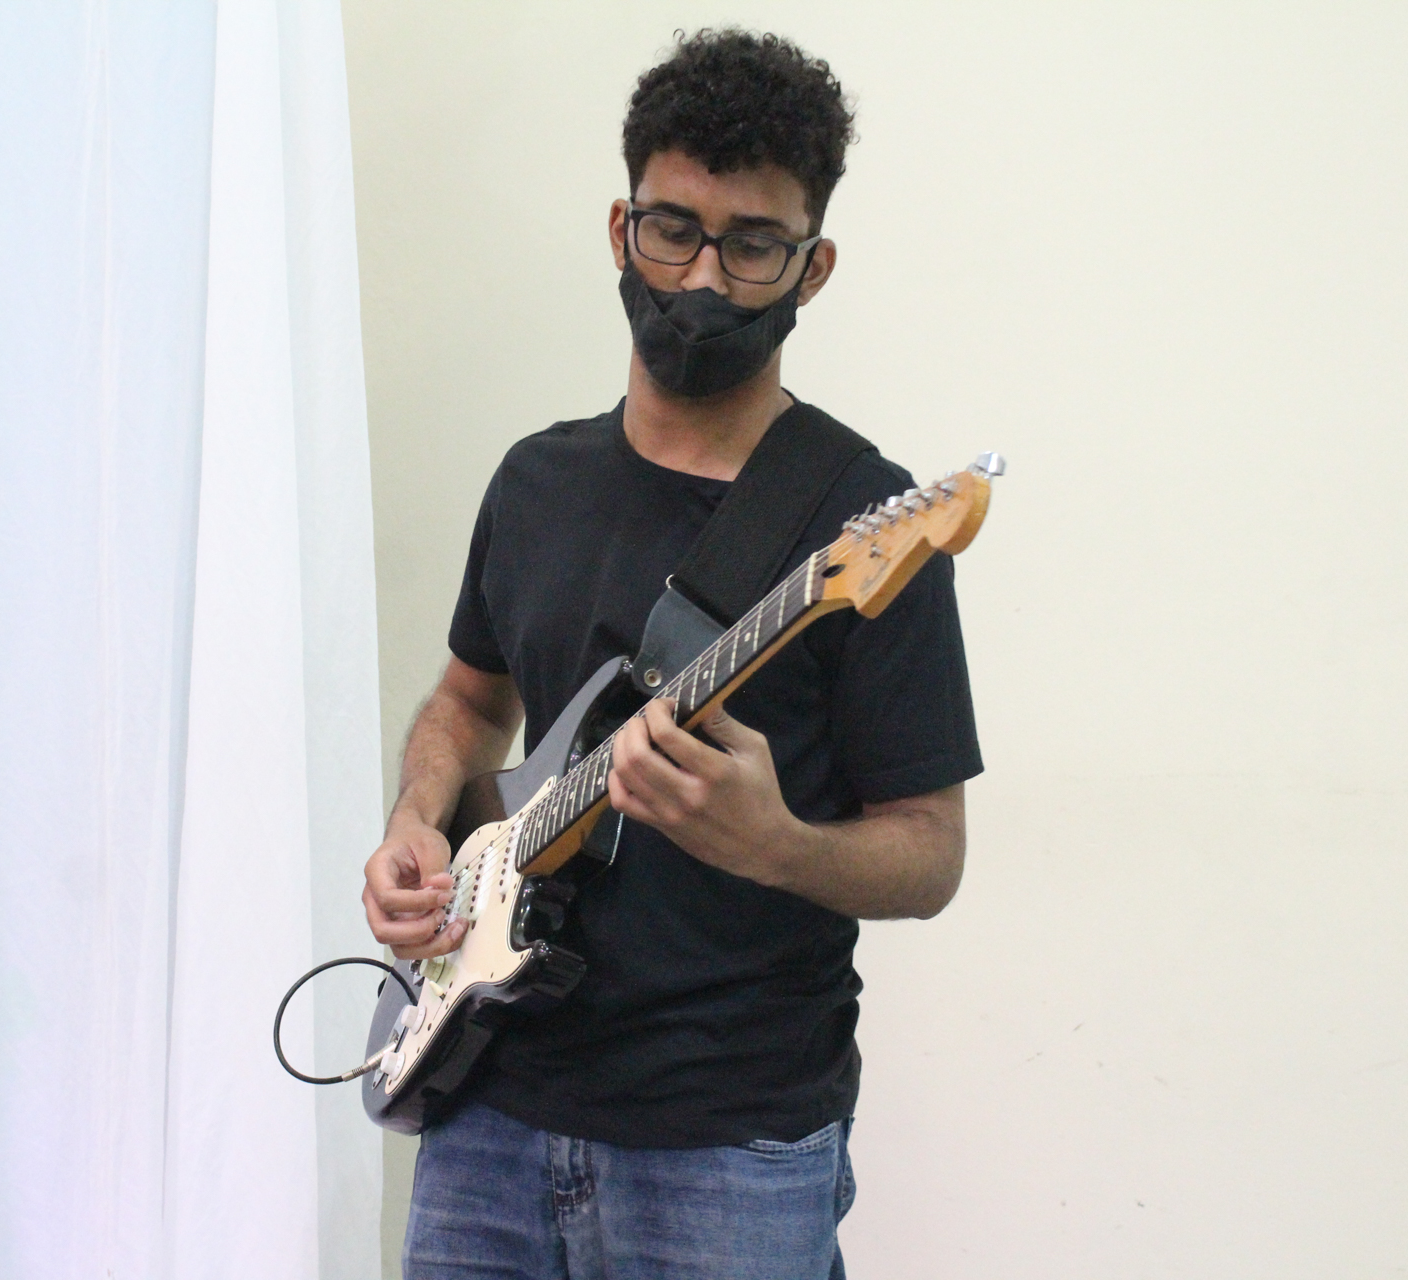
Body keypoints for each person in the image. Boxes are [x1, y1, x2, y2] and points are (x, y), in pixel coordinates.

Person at [361, 29, 983, 1280]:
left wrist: (779, 843)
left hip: (726, 1146)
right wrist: (417, 821)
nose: (700, 276)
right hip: (485, 1105)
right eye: (672, 229)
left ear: (812, 267)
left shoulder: (861, 522)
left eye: (751, 244)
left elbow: (930, 852)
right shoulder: (535, 480)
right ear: (620, 228)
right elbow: (467, 703)